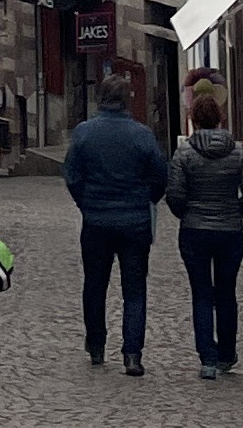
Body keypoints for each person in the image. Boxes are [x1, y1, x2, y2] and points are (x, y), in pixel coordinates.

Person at [61, 74, 169, 373]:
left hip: (96, 220)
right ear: (126, 100)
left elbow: (71, 175)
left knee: (95, 284)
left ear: (100, 98)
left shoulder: (84, 133)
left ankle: (96, 345)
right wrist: (146, 200)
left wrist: (86, 203)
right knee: (134, 289)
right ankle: (132, 354)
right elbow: (160, 176)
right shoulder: (142, 135)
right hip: (135, 221)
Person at [166, 72, 243, 380]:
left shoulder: (184, 154)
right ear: (219, 119)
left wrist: (187, 214)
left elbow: (175, 195)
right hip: (229, 231)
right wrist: (235, 212)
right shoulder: (238, 152)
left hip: (195, 230)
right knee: (226, 293)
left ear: (193, 120)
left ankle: (207, 358)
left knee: (202, 293)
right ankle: (227, 355)